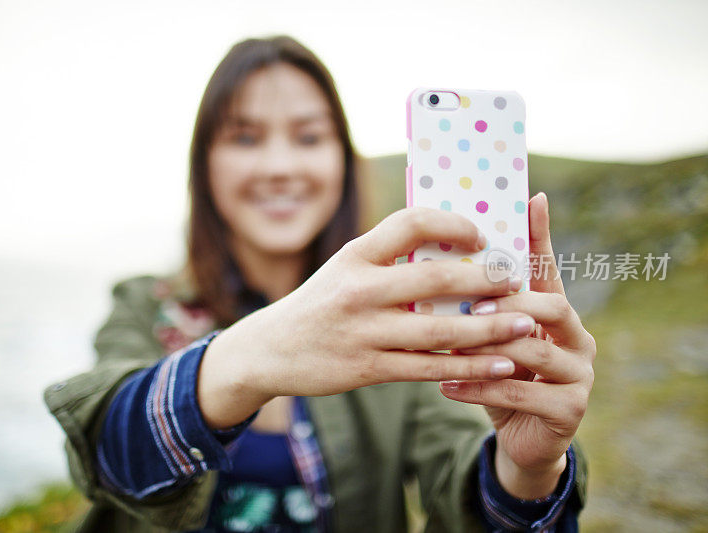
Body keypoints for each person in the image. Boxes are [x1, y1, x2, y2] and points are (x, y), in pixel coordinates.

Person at [44, 35, 595, 533]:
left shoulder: (406, 319)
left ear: (341, 160)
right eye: (244, 137)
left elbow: (459, 477)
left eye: (309, 137)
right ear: (205, 163)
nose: (280, 165)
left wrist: (527, 472)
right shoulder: (145, 306)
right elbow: (103, 453)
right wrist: (251, 356)